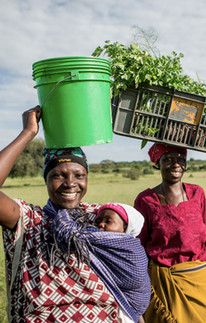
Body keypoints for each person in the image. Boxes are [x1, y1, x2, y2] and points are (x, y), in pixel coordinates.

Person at [0, 106, 150, 323]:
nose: (70, 183)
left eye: (79, 175)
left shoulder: (99, 219)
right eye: (58, 175)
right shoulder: (29, 220)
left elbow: (126, 279)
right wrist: (28, 133)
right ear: (46, 179)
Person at [134, 142, 206, 323]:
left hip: (201, 285)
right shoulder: (145, 200)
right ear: (157, 163)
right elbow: (138, 250)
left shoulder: (197, 193)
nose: (176, 164)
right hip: (167, 288)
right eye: (168, 159)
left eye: (181, 159)